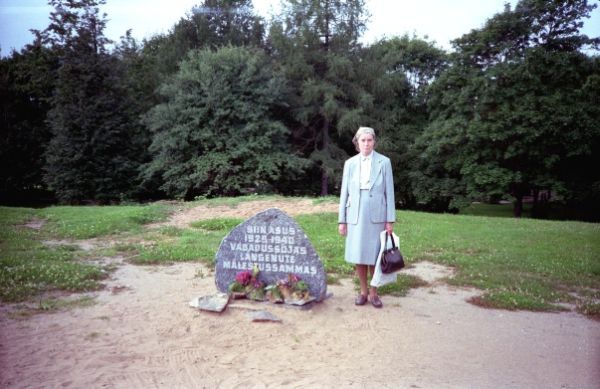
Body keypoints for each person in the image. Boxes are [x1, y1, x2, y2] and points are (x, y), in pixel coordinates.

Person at [338, 126, 395, 308]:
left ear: (374, 142)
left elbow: (389, 192)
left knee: (376, 256)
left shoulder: (384, 162)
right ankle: (363, 291)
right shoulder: (350, 163)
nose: (366, 143)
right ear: (357, 143)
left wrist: (389, 219)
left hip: (377, 214)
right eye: (363, 140)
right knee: (359, 255)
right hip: (355, 214)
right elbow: (344, 194)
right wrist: (342, 220)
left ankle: (374, 292)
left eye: (369, 140)